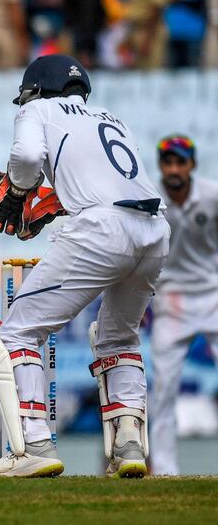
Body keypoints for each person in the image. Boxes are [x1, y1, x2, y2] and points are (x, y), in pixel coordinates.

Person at [0, 54, 169, 478]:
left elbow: (27, 158)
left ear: (37, 89)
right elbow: (108, 183)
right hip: (154, 230)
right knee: (119, 336)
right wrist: (55, 203)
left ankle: (35, 444)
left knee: (20, 331)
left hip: (102, 229)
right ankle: (130, 446)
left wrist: (17, 189)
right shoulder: (111, 117)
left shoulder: (36, 108)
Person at [149, 134, 218, 475]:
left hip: (213, 294)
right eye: (168, 162)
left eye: (180, 162)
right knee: (163, 389)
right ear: (161, 165)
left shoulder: (212, 196)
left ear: (192, 164)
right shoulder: (152, 200)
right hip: (172, 300)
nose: (174, 169)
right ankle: (164, 469)